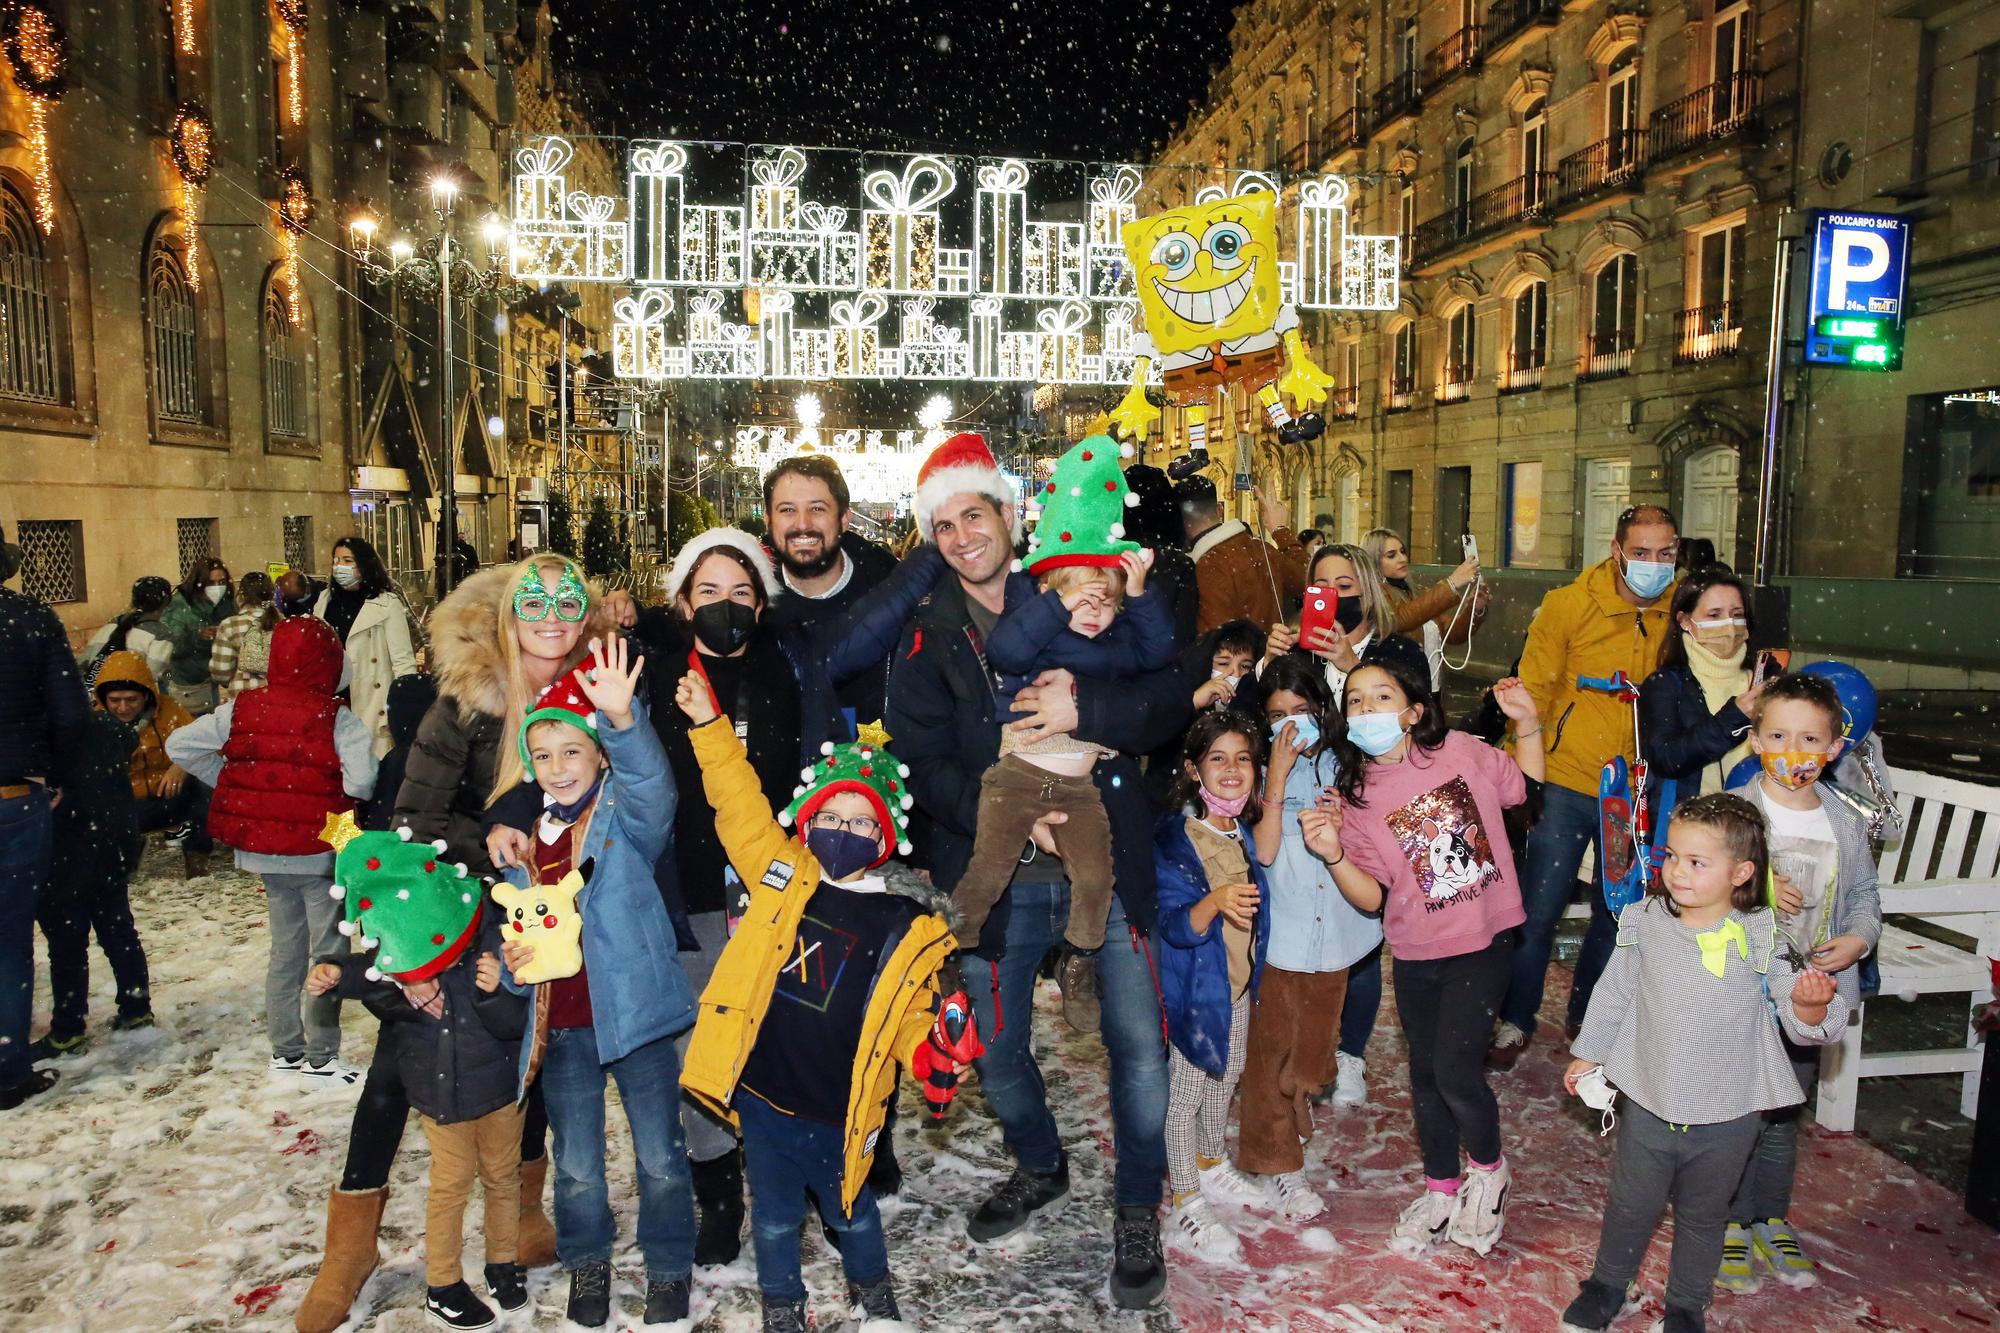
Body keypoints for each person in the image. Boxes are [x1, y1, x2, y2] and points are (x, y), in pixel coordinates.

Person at [890, 431, 1189, 1310]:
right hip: (999, 865)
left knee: (1137, 1045)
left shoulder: (1080, 580)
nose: (961, 537)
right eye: (941, 525)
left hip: (1109, 850)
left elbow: (1172, 692)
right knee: (998, 1043)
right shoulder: (927, 636)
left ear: (1011, 517)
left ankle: (1138, 1207)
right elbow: (920, 763)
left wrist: (1085, 707)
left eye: (972, 514)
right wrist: (1015, 809)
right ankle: (1039, 1163)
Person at [675, 671, 977, 1333]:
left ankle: (876, 1299)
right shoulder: (781, 873)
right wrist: (709, 727)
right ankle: (782, 1306)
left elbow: (910, 1023)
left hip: (839, 1107)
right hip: (762, 1097)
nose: (844, 829)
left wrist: (934, 1050)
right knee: (776, 1216)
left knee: (852, 1213)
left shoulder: (905, 924)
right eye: (832, 816)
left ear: (886, 833)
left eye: (861, 819)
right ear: (809, 819)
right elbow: (738, 801)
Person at [1558, 794, 1848, 1333]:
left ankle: (1687, 1305)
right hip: (1648, 1095)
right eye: (1671, 856)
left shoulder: (1762, 935)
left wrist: (1811, 1005)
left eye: (1697, 862)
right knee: (1630, 1204)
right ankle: (1606, 1285)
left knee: (1703, 1215)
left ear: (1740, 872)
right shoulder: (1645, 920)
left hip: (1729, 1109)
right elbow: (1615, 991)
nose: (1677, 872)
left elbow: (1804, 1017)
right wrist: (1589, 1052)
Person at [396, 554, 612, 1272]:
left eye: (567, 604)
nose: (550, 619)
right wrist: (489, 844)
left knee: (538, 1051)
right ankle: (350, 1233)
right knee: (411, 1067)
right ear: (507, 614)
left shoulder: (596, 689)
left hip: (557, 908)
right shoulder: (466, 699)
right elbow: (414, 816)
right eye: (534, 605)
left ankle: (522, 1202)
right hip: (459, 909)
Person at [1303, 655, 1543, 1258]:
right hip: (1414, 951)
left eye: (1381, 697)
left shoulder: (1461, 752)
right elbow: (1372, 896)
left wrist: (1530, 727)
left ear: (1413, 712)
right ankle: (1442, 1188)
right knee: (1426, 1077)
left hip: (1483, 941)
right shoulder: (1354, 799)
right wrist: (1333, 853)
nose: (1366, 709)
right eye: (1354, 700)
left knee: (1458, 1071)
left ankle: (1489, 1174)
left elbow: (1525, 792)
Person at [497, 635, 701, 1329]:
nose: (557, 769)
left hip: (635, 1018)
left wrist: (623, 720)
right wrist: (506, 967)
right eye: (544, 755)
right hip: (564, 1025)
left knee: (660, 1155)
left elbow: (654, 786)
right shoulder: (521, 841)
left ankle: (669, 1264)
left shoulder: (623, 820)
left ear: (598, 757)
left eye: (572, 752)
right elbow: (511, 931)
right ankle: (588, 1259)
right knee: (576, 1161)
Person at [958, 438, 1176, 1032]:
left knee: (1096, 875)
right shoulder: (1041, 630)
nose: (1092, 610)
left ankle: (1080, 960)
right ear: (1051, 591)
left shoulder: (1114, 645)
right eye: (1078, 597)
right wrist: (1056, 606)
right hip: (1021, 773)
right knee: (990, 863)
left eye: (1102, 601)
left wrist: (1138, 596)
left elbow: (1158, 654)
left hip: (1081, 790)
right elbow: (1005, 648)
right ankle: (955, 944)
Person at [308, 826, 529, 1332]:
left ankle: (502, 1262)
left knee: (502, 1178)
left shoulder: (489, 942)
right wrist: (332, 974)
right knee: (450, 1190)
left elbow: (518, 1026)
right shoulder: (400, 960)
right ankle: (443, 1285)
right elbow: (366, 974)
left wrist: (499, 991)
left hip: (498, 1091)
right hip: (440, 1097)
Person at [1492, 504, 1681, 1070]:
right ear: (1617, 549)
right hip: (1568, 781)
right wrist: (1525, 779)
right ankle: (1515, 1018)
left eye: (1665, 553)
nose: (1653, 564)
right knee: (1538, 908)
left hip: (1631, 792)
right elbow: (1537, 688)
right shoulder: (1571, 604)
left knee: (1617, 912)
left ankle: (1591, 1018)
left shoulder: (1682, 614)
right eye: (1641, 552)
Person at [1720, 673, 1882, 1292]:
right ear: (1756, 741)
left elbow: (1865, 894)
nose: (1795, 751)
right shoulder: (1738, 816)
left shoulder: (1843, 817)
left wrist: (1860, 939)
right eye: (1779, 736)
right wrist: (1753, 887)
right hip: (1739, 990)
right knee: (1739, 1111)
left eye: (1811, 739)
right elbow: (1698, 886)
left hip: (1810, 994)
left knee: (1784, 1110)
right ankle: (1730, 1221)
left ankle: (1769, 1217)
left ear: (1835, 748)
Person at [166, 617, 378, 1081]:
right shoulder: (335, 716)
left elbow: (179, 745)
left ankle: (286, 1049)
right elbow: (361, 781)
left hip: (265, 851)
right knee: (329, 953)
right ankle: (321, 1056)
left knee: (285, 950)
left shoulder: (242, 708)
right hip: (324, 846)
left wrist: (240, 787)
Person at [1240, 655, 1381, 1182]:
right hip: (1285, 935)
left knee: (1313, 1058)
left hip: (1342, 933)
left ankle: (1295, 1103)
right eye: (1278, 714)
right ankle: (1274, 1159)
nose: (1291, 723)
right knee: (1270, 1055)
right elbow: (1266, 854)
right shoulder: (1252, 769)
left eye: (1302, 709)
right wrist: (1274, 780)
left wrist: (1348, 828)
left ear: (1323, 706)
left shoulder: (1353, 762)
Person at [1154, 711, 1286, 1261]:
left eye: (1243, 758)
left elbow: (1267, 859)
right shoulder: (1176, 837)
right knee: (1184, 1096)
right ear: (1193, 769)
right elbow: (1172, 925)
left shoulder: (1241, 835)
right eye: (1217, 758)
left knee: (1227, 1073)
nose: (1232, 769)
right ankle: (1186, 1196)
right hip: (1195, 993)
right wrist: (1211, 903)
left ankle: (1211, 1163)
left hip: (1236, 987)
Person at [0, 529, 88, 1110]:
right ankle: (8, 1070)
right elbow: (70, 712)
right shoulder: (30, 619)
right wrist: (55, 775)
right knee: (8, 939)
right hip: (12, 795)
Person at [32, 706, 152, 1059]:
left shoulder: (32, 730)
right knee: (118, 930)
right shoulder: (102, 725)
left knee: (67, 943)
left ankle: (69, 1029)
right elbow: (128, 739)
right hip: (111, 843)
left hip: (62, 850)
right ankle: (136, 1007)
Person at [755, 454, 901, 728]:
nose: (802, 524)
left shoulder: (892, 598)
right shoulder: (750, 602)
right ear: (768, 519)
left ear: (844, 519)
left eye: (817, 509)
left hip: (880, 765)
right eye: (787, 510)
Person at [1638, 567, 1762, 820]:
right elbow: (1666, 757)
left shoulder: (1762, 679)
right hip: (1691, 828)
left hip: (1756, 827)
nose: (1729, 625)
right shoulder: (1666, 684)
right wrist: (1734, 718)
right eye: (1714, 615)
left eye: (1737, 614)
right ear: (1685, 621)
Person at [93, 649, 214, 877]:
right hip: (124, 805)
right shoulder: (94, 724)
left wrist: (180, 765)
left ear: (147, 695)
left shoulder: (169, 711)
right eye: (114, 700)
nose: (123, 708)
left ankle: (197, 858)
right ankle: (123, 861)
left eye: (131, 700)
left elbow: (199, 744)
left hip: (167, 795)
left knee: (204, 788)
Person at [314, 536, 420, 757]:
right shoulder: (325, 601)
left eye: (347, 560)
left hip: (372, 704)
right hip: (333, 701)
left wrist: (402, 711)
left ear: (363, 565)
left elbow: (403, 662)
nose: (339, 566)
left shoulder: (386, 604)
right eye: (336, 560)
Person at [1177, 474, 1309, 635]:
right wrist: (1280, 530)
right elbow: (1307, 579)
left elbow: (1213, 642)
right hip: (1271, 655)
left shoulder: (1206, 565)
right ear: (1219, 510)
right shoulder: (1261, 549)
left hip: (1240, 658)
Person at [1362, 527, 1486, 693]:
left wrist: (1475, 609)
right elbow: (1400, 620)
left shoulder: (1418, 592)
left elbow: (1453, 633)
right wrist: (1451, 584)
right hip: (1399, 689)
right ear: (1374, 561)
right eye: (1391, 555)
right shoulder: (1374, 595)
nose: (1402, 559)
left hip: (1431, 687)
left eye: (1403, 552)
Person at [1121, 462, 1200, 643]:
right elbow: (1185, 631)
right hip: (1164, 660)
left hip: (1115, 661)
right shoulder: (1178, 564)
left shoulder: (1111, 557)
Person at [360, 673, 438, 832]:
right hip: (432, 850)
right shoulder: (448, 757)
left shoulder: (395, 762)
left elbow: (379, 819)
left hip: (394, 851)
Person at [160, 556, 237, 715]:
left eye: (221, 582)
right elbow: (169, 646)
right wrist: (196, 637)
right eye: (211, 583)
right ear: (199, 582)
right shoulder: (181, 605)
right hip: (186, 684)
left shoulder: (225, 603)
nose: (217, 587)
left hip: (211, 680)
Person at [79, 575, 175, 687]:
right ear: (167, 601)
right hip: (130, 700)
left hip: (97, 697)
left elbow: (82, 666)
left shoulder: (109, 627)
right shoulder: (161, 636)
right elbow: (154, 678)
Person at [210, 571, 278, 700]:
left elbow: (221, 671)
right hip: (276, 699)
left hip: (242, 700)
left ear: (241, 595)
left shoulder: (230, 625)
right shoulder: (282, 624)